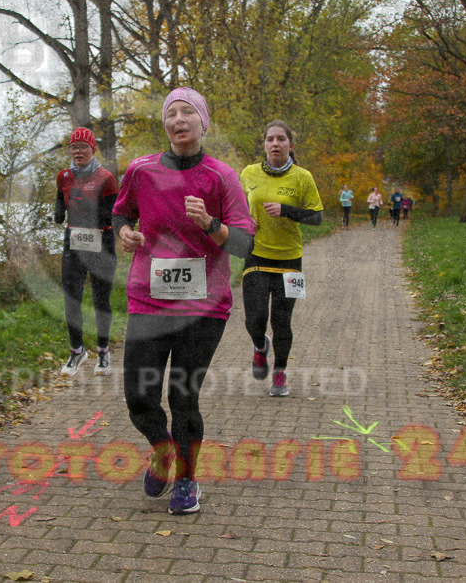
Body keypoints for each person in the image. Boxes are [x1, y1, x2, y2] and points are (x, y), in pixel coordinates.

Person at [113, 87, 254, 515]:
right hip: (149, 298)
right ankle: (162, 450)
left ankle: (187, 480)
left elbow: (245, 244)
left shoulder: (221, 176)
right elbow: (121, 212)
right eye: (171, 113)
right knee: (139, 395)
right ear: (165, 124)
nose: (178, 120)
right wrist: (124, 233)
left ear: (202, 122)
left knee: (182, 396)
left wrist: (210, 223)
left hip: (203, 304)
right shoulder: (141, 171)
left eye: (187, 112)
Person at [240, 121, 323, 397]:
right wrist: (243, 218)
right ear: (264, 145)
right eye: (270, 139)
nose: (275, 144)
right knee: (255, 318)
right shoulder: (249, 173)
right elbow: (235, 206)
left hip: (290, 260)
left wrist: (287, 210)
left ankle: (280, 372)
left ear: (290, 145)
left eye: (281, 139)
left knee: (282, 321)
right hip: (256, 256)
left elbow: (317, 217)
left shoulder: (303, 177)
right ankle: (260, 346)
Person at [54, 127, 119, 376]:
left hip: (100, 242)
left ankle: (103, 352)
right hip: (74, 241)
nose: (78, 151)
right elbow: (61, 198)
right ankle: (77, 351)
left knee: (101, 300)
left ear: (92, 149)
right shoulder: (64, 176)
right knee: (71, 299)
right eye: (74, 147)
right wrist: (60, 211)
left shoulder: (106, 178)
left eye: (83, 147)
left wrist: (84, 208)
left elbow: (112, 214)